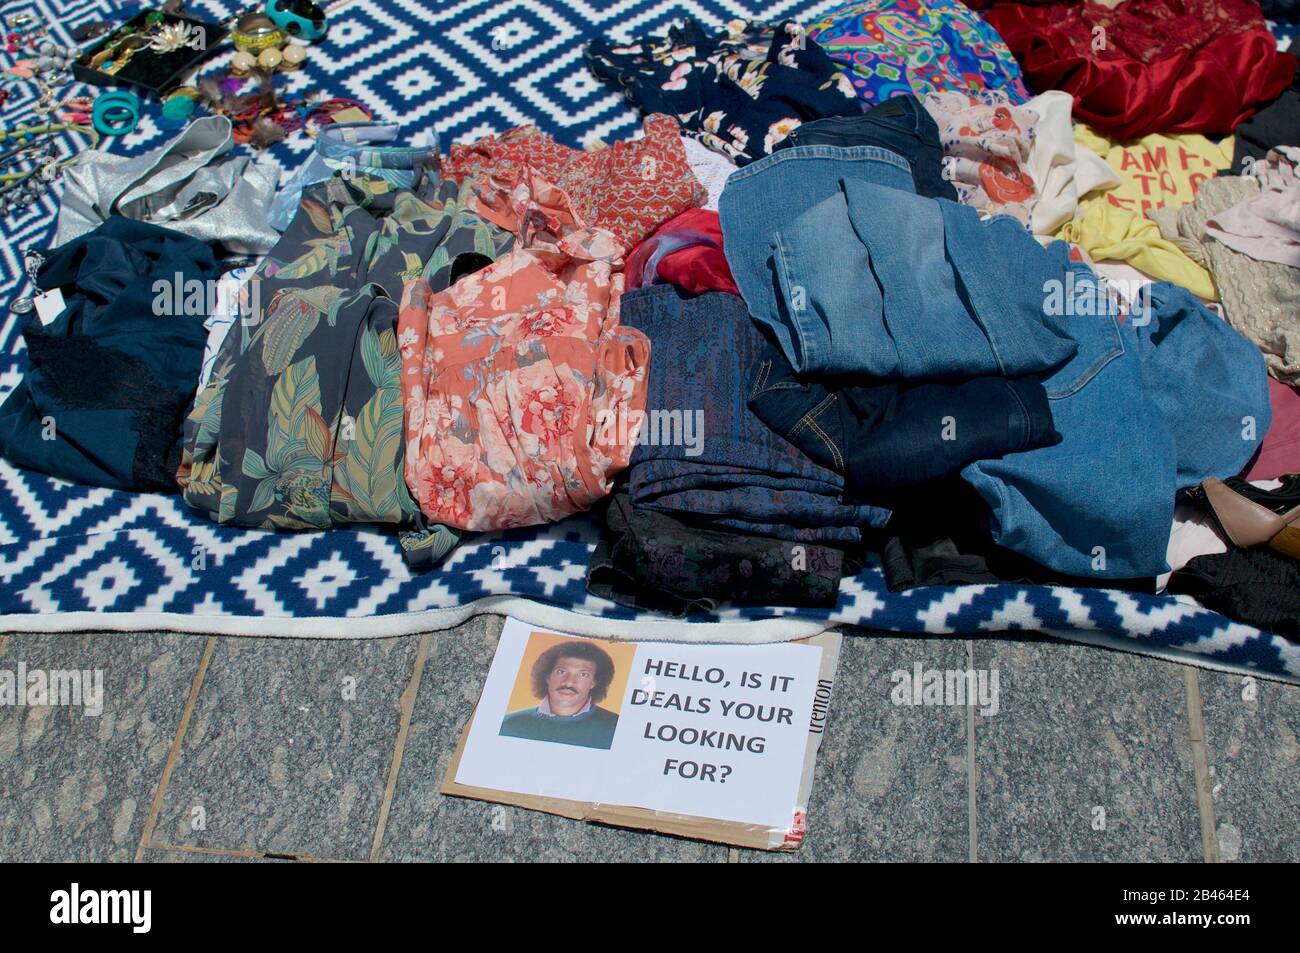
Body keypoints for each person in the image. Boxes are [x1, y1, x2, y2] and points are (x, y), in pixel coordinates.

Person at [499, 641, 620, 749]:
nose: (569, 682)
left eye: (583, 675)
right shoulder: (507, 724)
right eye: (561, 672)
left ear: (594, 682)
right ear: (547, 677)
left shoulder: (616, 727)